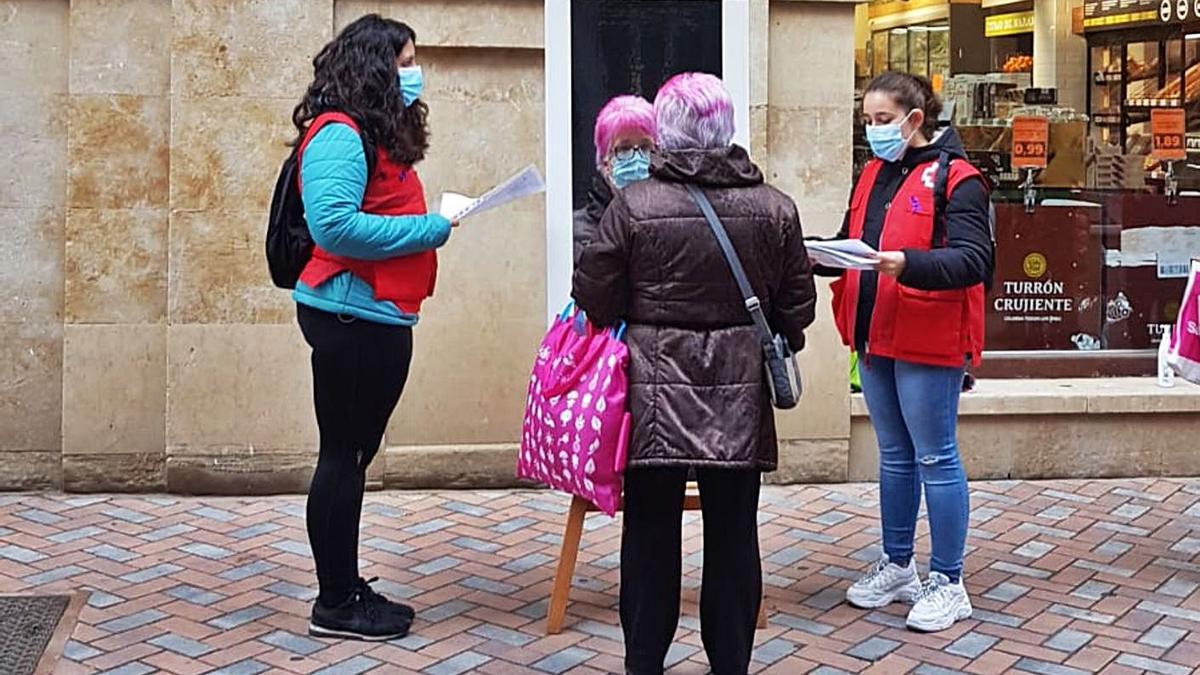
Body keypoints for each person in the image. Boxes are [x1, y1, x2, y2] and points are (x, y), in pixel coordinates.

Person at [574, 72, 816, 675]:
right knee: (734, 535)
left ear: (665, 135)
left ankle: (644, 665)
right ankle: (731, 664)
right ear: (727, 130)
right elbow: (797, 308)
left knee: (650, 539)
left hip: (653, 395)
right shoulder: (774, 208)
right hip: (740, 397)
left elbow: (595, 296)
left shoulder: (634, 205)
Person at [290, 15, 454, 641]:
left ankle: (345, 584)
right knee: (342, 456)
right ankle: (335, 603)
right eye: (405, 61)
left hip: (373, 316)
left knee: (353, 456)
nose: (414, 73)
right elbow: (334, 227)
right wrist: (430, 230)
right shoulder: (338, 134)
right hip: (348, 316)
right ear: (375, 67)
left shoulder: (370, 132)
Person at [817, 71, 992, 633]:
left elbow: (974, 261)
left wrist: (905, 263)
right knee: (893, 454)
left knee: (935, 456)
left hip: (928, 337)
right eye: (867, 121)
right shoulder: (871, 174)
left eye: (884, 120)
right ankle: (898, 565)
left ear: (915, 120)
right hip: (877, 334)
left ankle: (949, 580)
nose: (874, 131)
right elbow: (853, 239)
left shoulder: (959, 179)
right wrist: (818, 254)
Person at [574, 95, 657, 265]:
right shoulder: (580, 232)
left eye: (645, 147)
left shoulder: (672, 221)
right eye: (624, 149)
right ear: (605, 161)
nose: (637, 158)